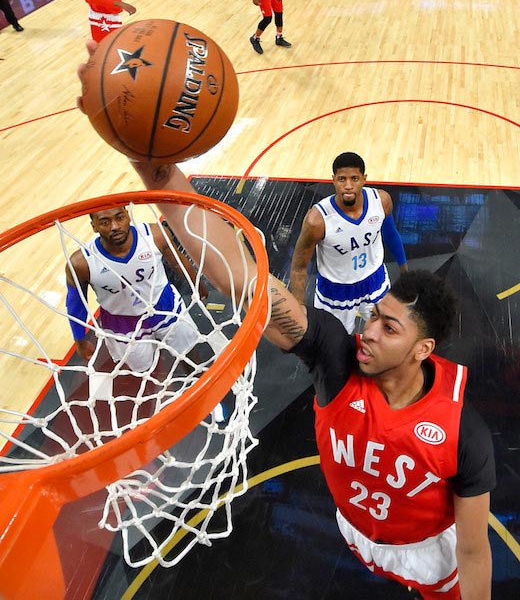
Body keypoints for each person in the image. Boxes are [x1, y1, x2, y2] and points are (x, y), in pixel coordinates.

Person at [77, 46, 496, 600]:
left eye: (389, 329)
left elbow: (472, 548)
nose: (367, 331)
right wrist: (153, 168)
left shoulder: (464, 433)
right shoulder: (336, 358)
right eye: (374, 318)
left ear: (425, 350)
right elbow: (245, 280)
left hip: (429, 550)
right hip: (356, 532)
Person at [65, 206, 208, 372]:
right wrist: (79, 339)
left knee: (188, 354)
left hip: (164, 304)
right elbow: (76, 303)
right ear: (94, 226)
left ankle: (200, 382)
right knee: (146, 371)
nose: (115, 226)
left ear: (127, 215)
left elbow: (177, 262)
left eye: (119, 218)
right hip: (122, 322)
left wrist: (197, 283)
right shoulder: (81, 263)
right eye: (105, 222)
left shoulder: (154, 235)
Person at [290, 151, 408, 334]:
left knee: (385, 335)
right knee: (333, 342)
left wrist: (405, 272)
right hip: (335, 290)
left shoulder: (381, 201)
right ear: (333, 180)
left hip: (374, 280)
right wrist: (299, 307)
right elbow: (299, 266)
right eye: (342, 179)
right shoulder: (317, 220)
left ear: (364, 179)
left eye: (354, 178)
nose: (348, 186)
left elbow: (391, 234)